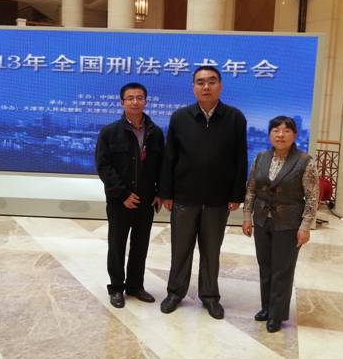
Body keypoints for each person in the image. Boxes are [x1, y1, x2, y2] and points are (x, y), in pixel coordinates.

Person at [158, 66, 248, 319]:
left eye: (211, 81)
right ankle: (175, 293)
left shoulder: (235, 118)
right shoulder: (180, 117)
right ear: (193, 87)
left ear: (220, 85)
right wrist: (167, 193)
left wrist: (236, 195)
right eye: (200, 82)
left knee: (211, 251)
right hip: (184, 197)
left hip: (218, 199)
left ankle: (209, 296)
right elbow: (170, 157)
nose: (206, 86)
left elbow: (240, 158)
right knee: (181, 249)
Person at [242, 115, 318, 332]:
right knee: (265, 265)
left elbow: (312, 197)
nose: (280, 135)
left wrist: (305, 227)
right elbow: (251, 189)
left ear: (295, 135)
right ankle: (266, 308)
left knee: (282, 270)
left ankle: (277, 314)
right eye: (276, 130)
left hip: (289, 222)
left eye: (286, 131)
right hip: (262, 220)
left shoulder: (304, 161)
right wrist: (247, 216)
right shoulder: (261, 157)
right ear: (270, 135)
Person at [95, 82, 165, 308]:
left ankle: (135, 286)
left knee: (140, 245)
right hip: (119, 201)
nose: (135, 102)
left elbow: (161, 165)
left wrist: (159, 192)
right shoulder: (109, 132)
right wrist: (123, 194)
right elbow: (103, 166)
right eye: (130, 98)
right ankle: (116, 288)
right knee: (117, 245)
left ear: (146, 101)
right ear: (122, 103)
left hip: (146, 199)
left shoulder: (155, 133)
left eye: (139, 97)